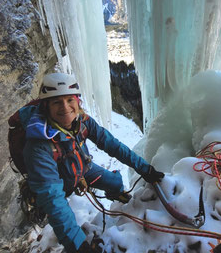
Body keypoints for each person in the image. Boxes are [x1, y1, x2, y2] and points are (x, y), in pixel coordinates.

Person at [23, 73, 164, 253]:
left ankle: (119, 198)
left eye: (69, 100)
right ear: (46, 107)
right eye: (56, 102)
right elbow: (53, 199)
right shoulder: (38, 146)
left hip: (83, 168)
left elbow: (113, 145)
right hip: (60, 183)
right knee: (59, 207)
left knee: (114, 182)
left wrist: (145, 169)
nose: (65, 107)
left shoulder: (82, 122)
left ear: (77, 102)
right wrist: (79, 245)